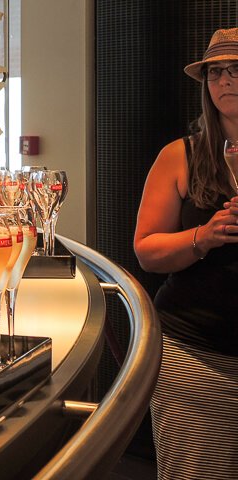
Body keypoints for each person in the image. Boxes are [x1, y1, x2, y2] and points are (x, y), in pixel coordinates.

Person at [134, 28, 238, 479]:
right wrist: (205, 235)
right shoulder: (181, 156)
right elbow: (147, 251)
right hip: (196, 355)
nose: (225, 81)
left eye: (236, 70)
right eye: (216, 73)